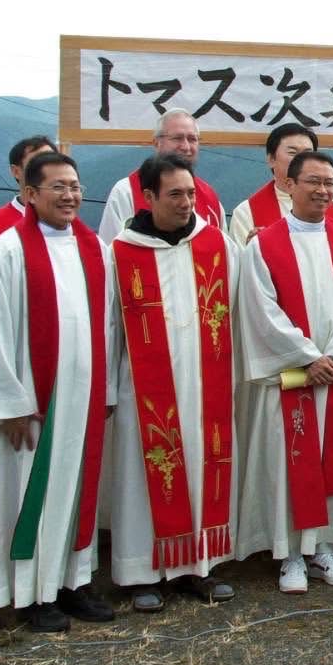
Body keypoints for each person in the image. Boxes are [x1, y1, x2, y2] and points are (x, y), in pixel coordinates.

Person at [0, 151, 118, 631]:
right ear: (29, 194)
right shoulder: (7, 250)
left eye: (74, 185)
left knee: (76, 490)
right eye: (57, 186)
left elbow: (109, 325)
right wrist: (9, 403)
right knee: (30, 494)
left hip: (83, 395)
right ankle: (30, 593)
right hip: (32, 403)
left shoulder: (94, 249)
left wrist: (108, 388)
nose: (70, 195)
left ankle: (71, 582)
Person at [236, 151, 333, 592]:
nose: (323, 191)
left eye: (329, 183)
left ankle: (324, 549)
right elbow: (260, 310)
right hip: (291, 380)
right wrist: (306, 356)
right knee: (290, 467)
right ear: (289, 185)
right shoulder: (264, 244)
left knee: (332, 464)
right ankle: (289, 556)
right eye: (313, 182)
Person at [108, 155, 242, 610]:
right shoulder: (122, 253)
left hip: (208, 386)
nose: (187, 203)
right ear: (147, 197)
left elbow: (243, 312)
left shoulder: (217, 246)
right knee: (144, 476)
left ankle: (198, 566)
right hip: (143, 389)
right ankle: (141, 571)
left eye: (191, 194)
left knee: (206, 465)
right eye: (175, 195)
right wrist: (107, 387)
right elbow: (108, 327)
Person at [99, 109, 225, 238]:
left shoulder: (210, 197)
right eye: (177, 138)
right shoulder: (126, 191)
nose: (186, 147)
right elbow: (111, 252)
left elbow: (223, 251)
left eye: (192, 139)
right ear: (156, 143)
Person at [228, 123, 333, 244]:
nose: (301, 159)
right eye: (292, 152)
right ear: (271, 159)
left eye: (307, 153)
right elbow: (242, 261)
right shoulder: (247, 212)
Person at [0, 135, 57, 237]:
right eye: (37, 163)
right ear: (16, 171)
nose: (46, 169)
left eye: (52, 162)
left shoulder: (65, 219)